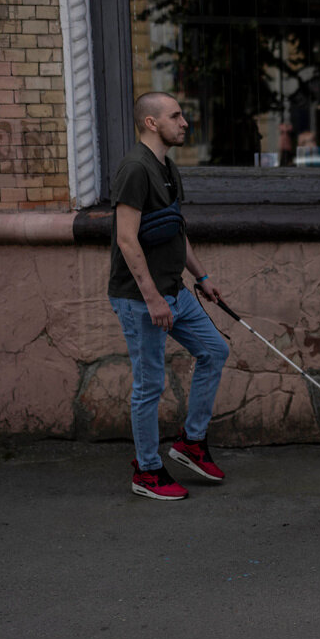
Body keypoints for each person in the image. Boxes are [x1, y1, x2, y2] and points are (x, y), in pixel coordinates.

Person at [108, 91, 231, 500]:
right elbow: (127, 240)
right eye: (175, 116)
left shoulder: (167, 168)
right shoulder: (134, 169)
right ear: (151, 123)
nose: (184, 123)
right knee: (148, 385)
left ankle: (190, 443)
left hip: (175, 292)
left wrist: (203, 275)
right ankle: (146, 471)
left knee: (215, 350)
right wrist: (152, 299)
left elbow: (176, 229)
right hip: (141, 298)